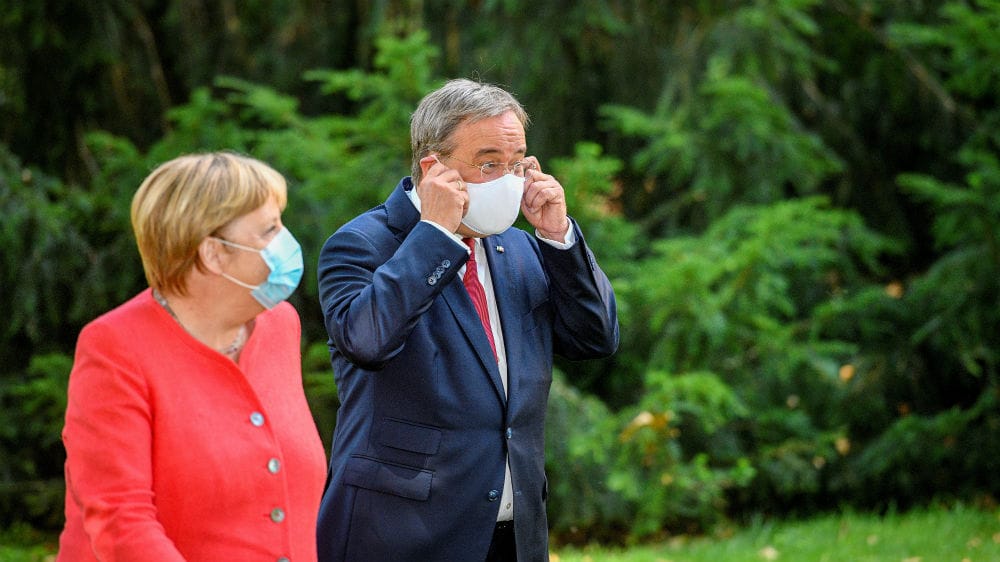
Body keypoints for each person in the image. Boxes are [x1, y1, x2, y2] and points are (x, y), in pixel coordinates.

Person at [315, 78, 619, 562]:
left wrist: (558, 234)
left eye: (516, 162)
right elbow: (367, 343)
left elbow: (595, 337)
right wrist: (434, 233)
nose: (508, 178)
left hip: (514, 534)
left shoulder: (520, 246)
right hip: (404, 534)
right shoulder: (362, 244)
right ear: (433, 168)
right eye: (489, 163)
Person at [56, 152, 328, 562]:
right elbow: (122, 523)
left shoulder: (278, 325)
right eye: (269, 229)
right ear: (213, 253)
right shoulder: (114, 348)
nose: (287, 242)